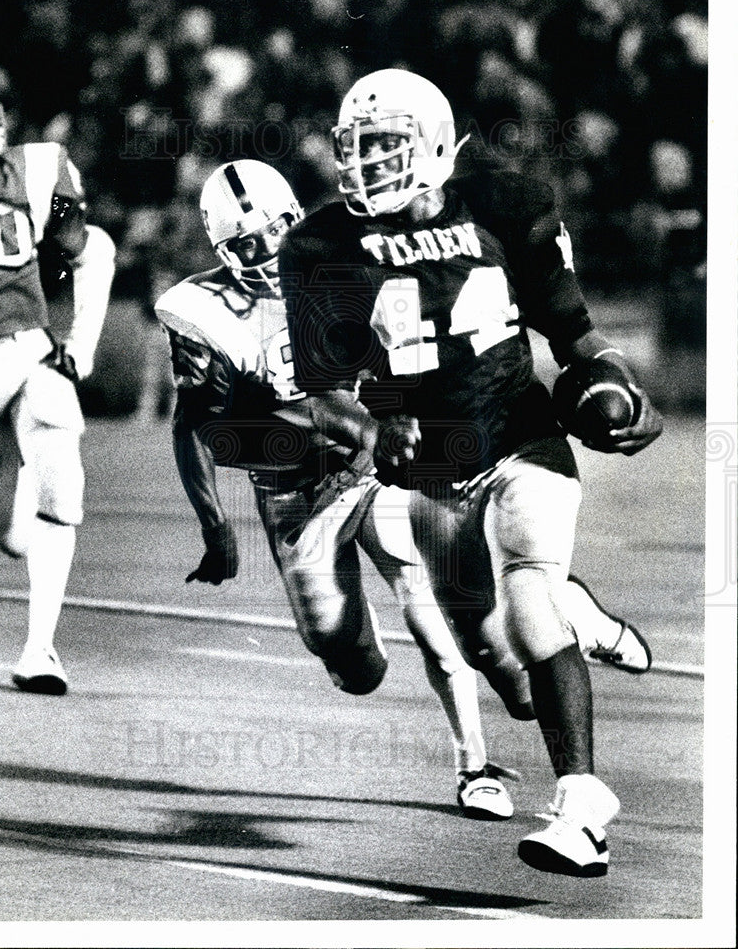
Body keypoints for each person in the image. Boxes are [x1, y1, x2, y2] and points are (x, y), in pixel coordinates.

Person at [279, 68, 663, 877]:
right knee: (499, 661)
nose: (367, 162)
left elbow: (574, 334)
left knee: (529, 601)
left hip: (520, 439)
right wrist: (369, 425)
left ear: (437, 146)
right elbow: (323, 395)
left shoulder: (506, 205)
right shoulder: (318, 244)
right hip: (426, 471)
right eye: (359, 146)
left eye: (388, 144)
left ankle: (582, 807)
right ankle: (587, 620)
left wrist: (623, 389)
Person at [155, 159, 521, 820]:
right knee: (353, 665)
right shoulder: (201, 311)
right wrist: (215, 526)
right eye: (246, 243)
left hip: (369, 466)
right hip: (292, 489)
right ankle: (352, 636)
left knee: (425, 603)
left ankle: (475, 766)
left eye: (278, 231)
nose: (267, 250)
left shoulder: (351, 262)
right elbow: (197, 424)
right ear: (221, 251)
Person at [0, 79, 115, 696]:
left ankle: (40, 649)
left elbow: (91, 252)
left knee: (56, 423)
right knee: (15, 537)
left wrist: (78, 351)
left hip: (24, 347)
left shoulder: (35, 173)